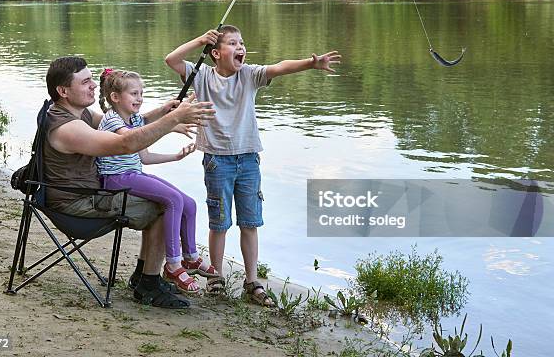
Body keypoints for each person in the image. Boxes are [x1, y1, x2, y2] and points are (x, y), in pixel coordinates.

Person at [165, 26, 340, 306]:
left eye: (242, 43)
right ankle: (216, 277)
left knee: (250, 222)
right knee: (219, 223)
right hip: (216, 160)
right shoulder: (201, 76)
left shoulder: (249, 75)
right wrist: (198, 39)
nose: (240, 47)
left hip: (248, 159)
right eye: (232, 43)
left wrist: (311, 63)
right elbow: (171, 59)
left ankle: (252, 281)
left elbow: (279, 67)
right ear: (215, 53)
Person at [43, 56, 214, 309]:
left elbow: (125, 124)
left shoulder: (81, 114)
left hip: (84, 193)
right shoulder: (67, 128)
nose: (93, 85)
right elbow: (125, 143)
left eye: (92, 80)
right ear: (63, 91)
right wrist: (174, 119)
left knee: (163, 200)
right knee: (161, 206)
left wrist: (163, 113)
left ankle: (146, 277)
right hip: (75, 204)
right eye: (86, 82)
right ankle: (150, 282)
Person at [96, 68, 219, 294]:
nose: (140, 98)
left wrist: (176, 155)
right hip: (115, 179)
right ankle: (173, 263)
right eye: (134, 94)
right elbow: (133, 137)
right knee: (172, 200)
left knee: (189, 203)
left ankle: (190, 257)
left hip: (133, 175)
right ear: (115, 97)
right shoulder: (112, 120)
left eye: (141, 93)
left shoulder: (132, 119)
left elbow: (144, 155)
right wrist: (172, 120)